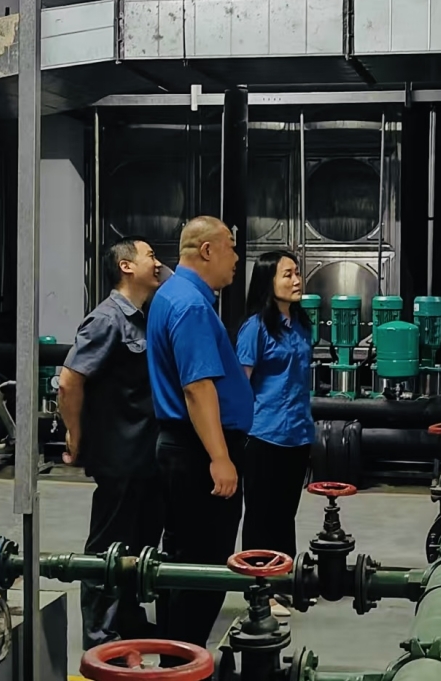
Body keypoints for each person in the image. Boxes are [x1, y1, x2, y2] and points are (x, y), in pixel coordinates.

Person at [146, 215, 253, 647]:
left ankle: (176, 655)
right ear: (207, 250)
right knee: (202, 567)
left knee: (181, 559)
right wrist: (220, 457)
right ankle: (184, 660)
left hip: (184, 447)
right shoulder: (190, 305)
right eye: (230, 246)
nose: (236, 257)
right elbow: (197, 387)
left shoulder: (173, 296)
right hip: (199, 451)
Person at [57, 236, 164, 650]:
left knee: (139, 546)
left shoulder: (144, 317)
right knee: (108, 548)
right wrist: (75, 433)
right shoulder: (107, 320)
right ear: (126, 266)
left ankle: (129, 621)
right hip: (119, 456)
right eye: (150, 256)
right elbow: (70, 381)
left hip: (145, 455)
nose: (159, 262)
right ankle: (100, 637)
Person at [235, 251, 313, 618]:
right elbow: (241, 386)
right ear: (268, 281)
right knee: (260, 517)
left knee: (284, 516)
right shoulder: (254, 329)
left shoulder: (300, 325)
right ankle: (259, 591)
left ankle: (284, 582)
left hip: (297, 434)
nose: (296, 280)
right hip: (264, 435)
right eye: (288, 275)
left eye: (297, 273)